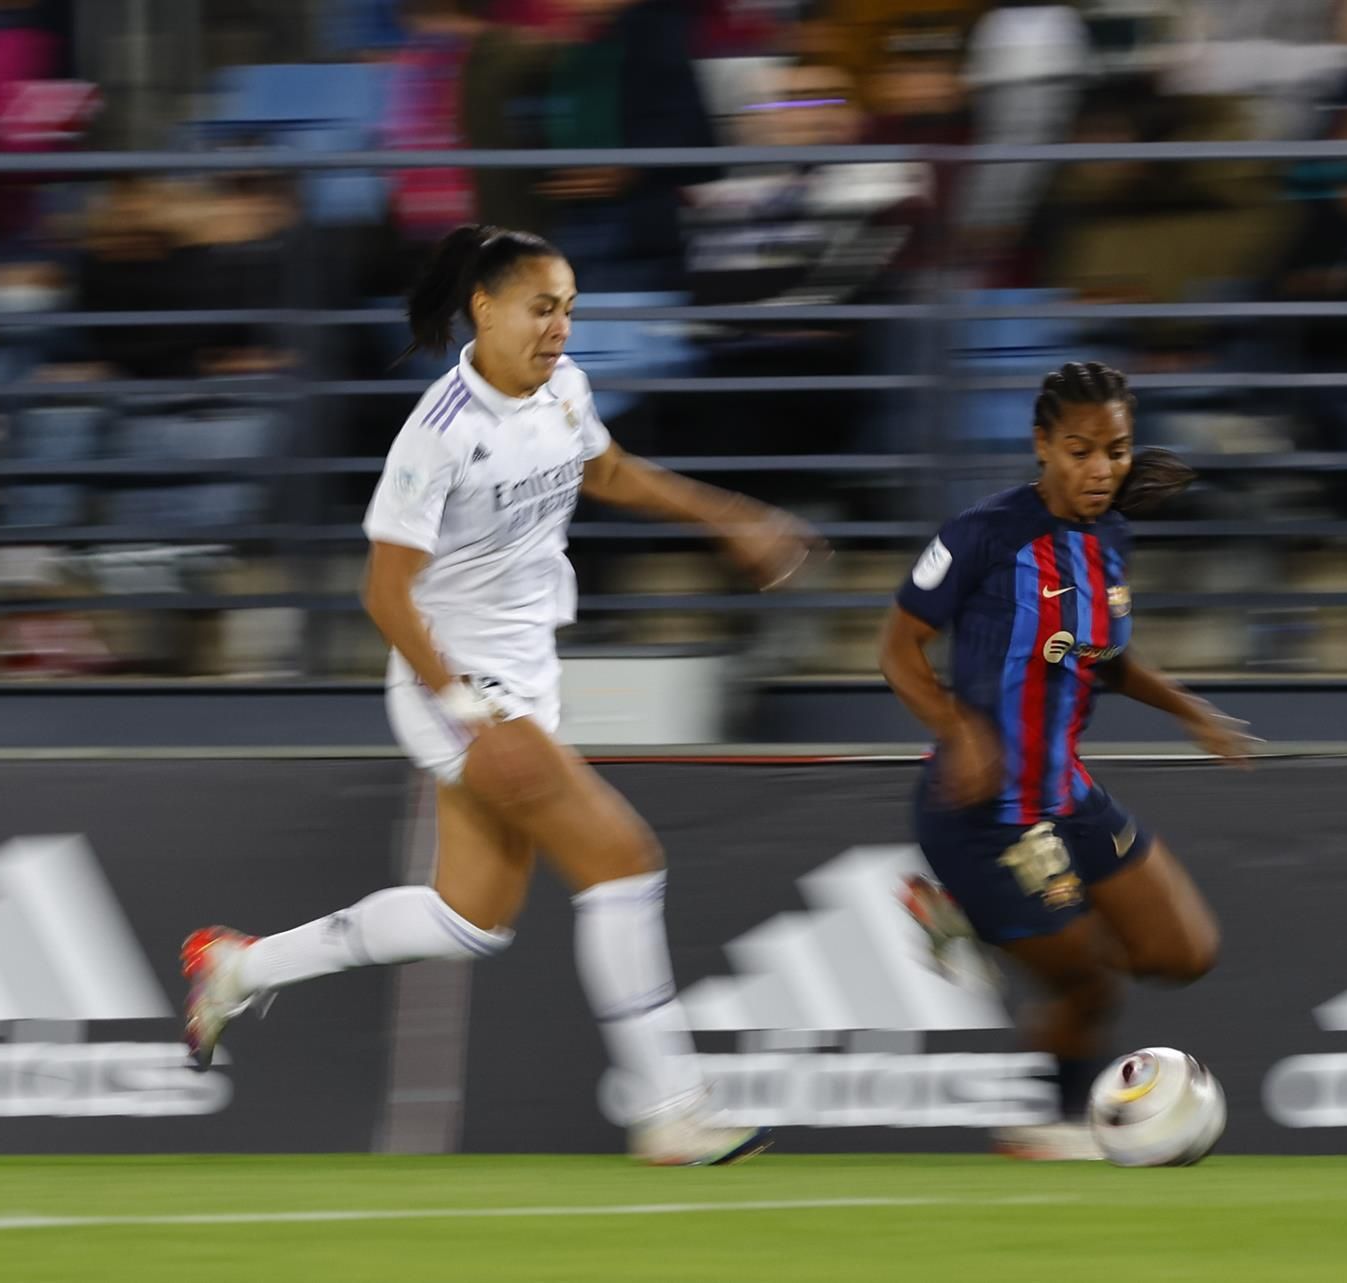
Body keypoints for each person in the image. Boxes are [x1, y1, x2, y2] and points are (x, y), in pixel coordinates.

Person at [180, 225, 818, 1166]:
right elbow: (384, 596)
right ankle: (671, 1107)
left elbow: (605, 470)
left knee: (467, 918)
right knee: (624, 860)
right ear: (484, 308)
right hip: (456, 682)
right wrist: (472, 710)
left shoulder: (564, 388)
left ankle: (237, 966)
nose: (559, 327)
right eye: (540, 306)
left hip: (525, 676)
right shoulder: (437, 435)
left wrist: (731, 513)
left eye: (568, 308)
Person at [878, 361, 1255, 1161]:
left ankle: (974, 923)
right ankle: (1044, 1122)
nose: (1100, 469)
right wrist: (958, 727)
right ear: (1042, 444)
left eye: (1115, 451)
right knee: (1087, 982)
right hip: (983, 811)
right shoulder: (983, 534)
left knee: (1183, 952)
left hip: (1065, 793)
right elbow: (897, 647)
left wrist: (1195, 712)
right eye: (1080, 450)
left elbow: (1106, 657)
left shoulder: (1109, 532)